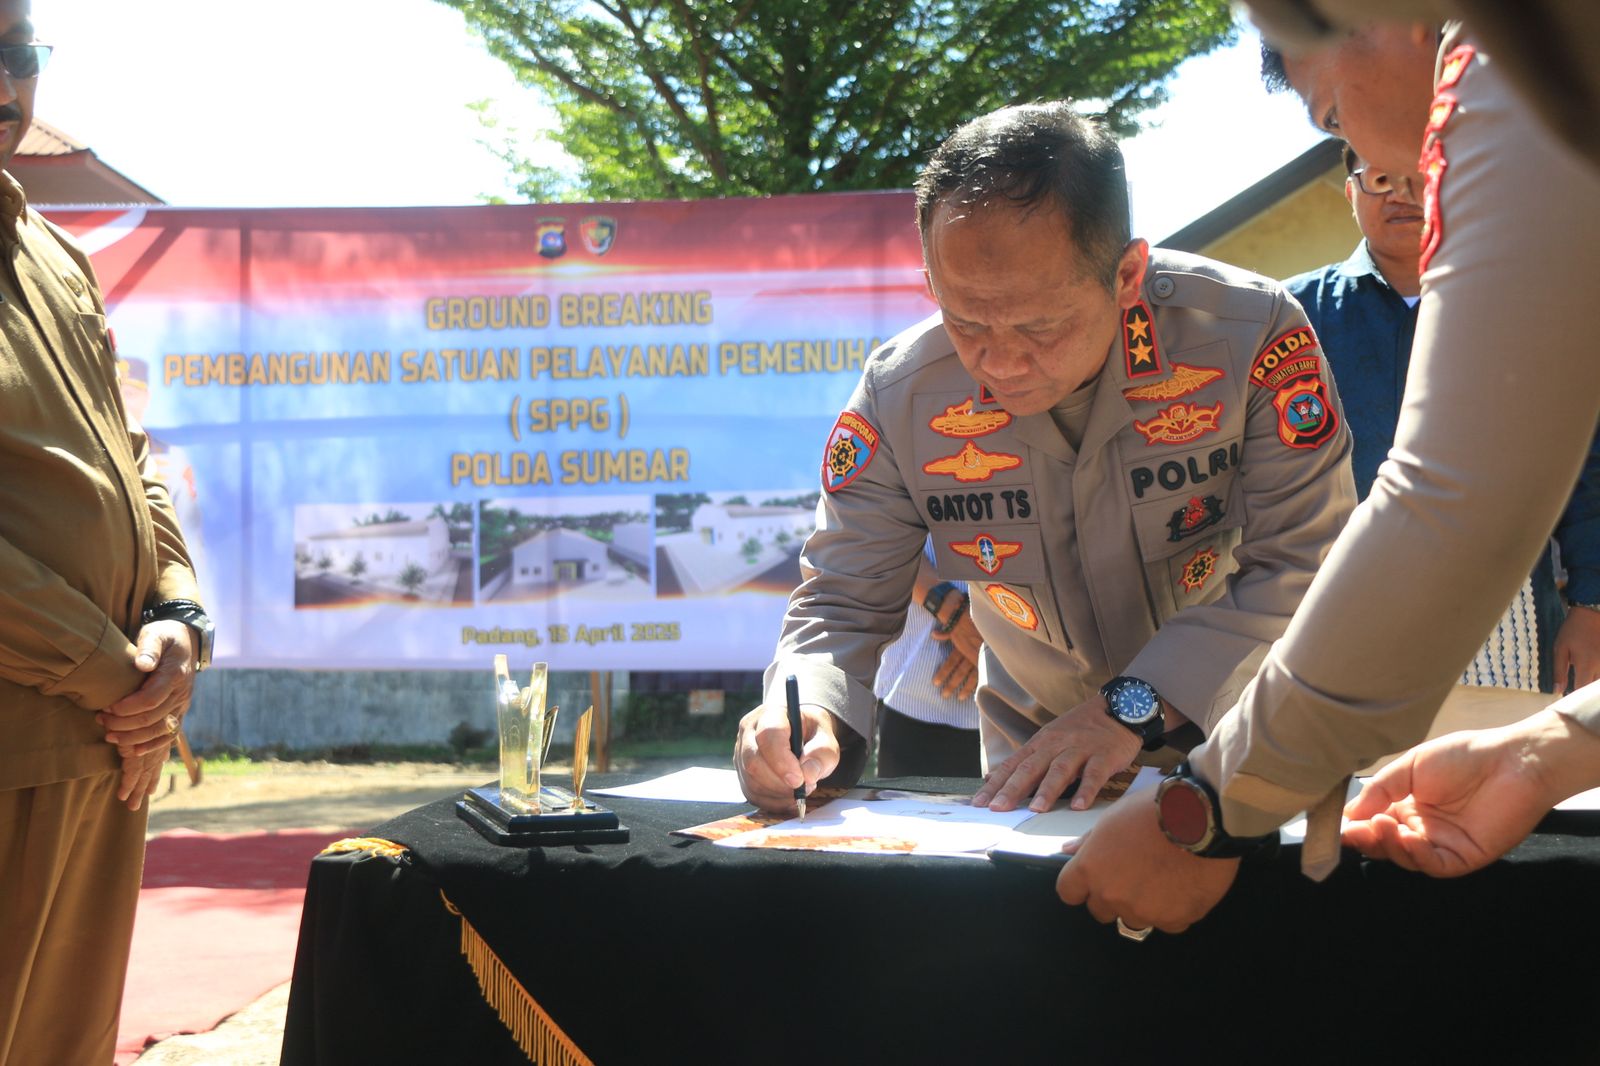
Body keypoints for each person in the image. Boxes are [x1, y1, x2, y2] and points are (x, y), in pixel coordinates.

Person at [1057, 17, 1600, 937]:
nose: (1390, 171)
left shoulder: (1517, 75)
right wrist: (1554, 750)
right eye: (1350, 157)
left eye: (1333, 112)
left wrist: (1211, 807)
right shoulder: (1297, 312)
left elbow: (1451, 503)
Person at [734, 101, 1356, 818]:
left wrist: (1126, 712)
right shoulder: (900, 394)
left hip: (1247, 762)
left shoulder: (1250, 337)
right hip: (1035, 791)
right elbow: (843, 598)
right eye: (964, 320)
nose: (999, 360)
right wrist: (807, 709)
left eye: (1040, 325)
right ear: (932, 282)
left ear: (1127, 275)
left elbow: (1305, 562)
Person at [0, 4, 213, 1062]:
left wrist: (175, 615)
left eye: (16, 53)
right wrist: (105, 668)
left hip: (104, 744)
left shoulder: (55, 256)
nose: (3, 88)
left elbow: (131, 458)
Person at [1285, 144, 1600, 693]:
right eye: (1381, 177)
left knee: (1502, 765)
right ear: (1350, 192)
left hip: (1511, 609)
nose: (1403, 194)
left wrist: (1592, 604)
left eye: (1421, 176)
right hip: (1338, 612)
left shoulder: (1521, 305)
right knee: (1366, 775)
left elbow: (1583, 461)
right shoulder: (1293, 317)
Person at [872, 544, 982, 778]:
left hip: (1039, 704)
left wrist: (992, 627)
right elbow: (875, 531)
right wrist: (953, 610)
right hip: (918, 695)